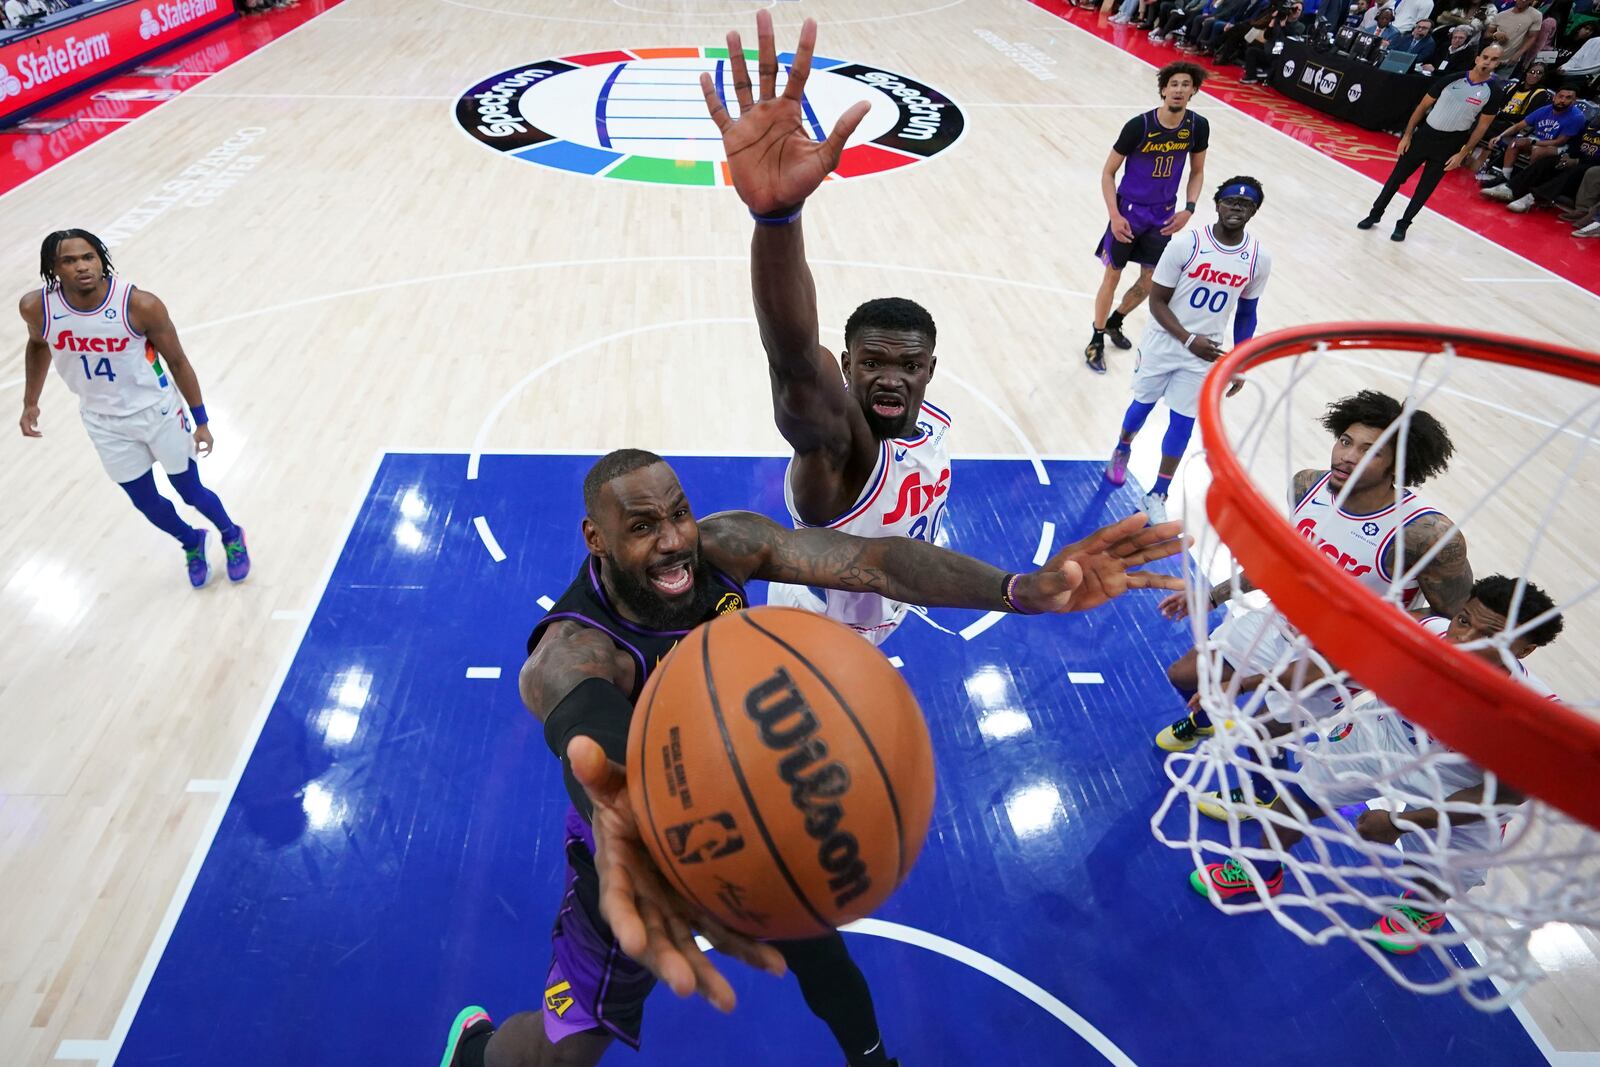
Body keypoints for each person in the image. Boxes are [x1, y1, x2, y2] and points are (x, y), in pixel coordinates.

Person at [436, 449, 1186, 1067]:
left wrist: (1019, 586)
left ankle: (873, 1061)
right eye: (641, 527)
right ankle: (475, 1048)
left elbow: (874, 562)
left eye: (677, 514)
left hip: (756, 795)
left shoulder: (725, 545)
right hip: (634, 839)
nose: (672, 541)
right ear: (595, 539)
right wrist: (622, 811)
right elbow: (593, 754)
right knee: (572, 1051)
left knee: (815, 932)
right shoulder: (573, 652)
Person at [700, 11, 947, 647]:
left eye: (908, 367)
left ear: (929, 371)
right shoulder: (835, 445)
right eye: (871, 364)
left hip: (872, 625)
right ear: (845, 366)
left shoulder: (932, 427)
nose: (891, 378)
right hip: (806, 641)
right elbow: (792, 355)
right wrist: (777, 221)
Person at [1188, 575, 1563, 953]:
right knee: (1294, 801)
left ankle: (1422, 909)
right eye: (1463, 621)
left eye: (1490, 636)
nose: (1463, 640)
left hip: (1460, 783)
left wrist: (1400, 824)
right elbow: (1340, 662)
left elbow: (1497, 799)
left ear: (1526, 649)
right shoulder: (1427, 629)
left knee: (1439, 873)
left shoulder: (1537, 717)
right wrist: (1247, 683)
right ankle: (1261, 870)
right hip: (1386, 736)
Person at [1152, 391, 1469, 814]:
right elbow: (1284, 564)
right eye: (1345, 440)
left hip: (1338, 659)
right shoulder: (1307, 486)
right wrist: (1211, 596)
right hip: (1279, 622)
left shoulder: (1424, 535)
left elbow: (1457, 615)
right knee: (1185, 674)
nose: (1347, 456)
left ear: (1397, 465)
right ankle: (1205, 718)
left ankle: (1261, 791)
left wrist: (1377, 623)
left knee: (1264, 734)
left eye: (1368, 452)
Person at [17, 230, 249, 587]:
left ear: (100, 258)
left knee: (189, 490)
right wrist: (30, 401)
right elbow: (37, 345)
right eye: (69, 261)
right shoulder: (37, 306)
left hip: (156, 411)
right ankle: (192, 541)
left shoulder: (139, 305)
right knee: (146, 503)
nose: (81, 266)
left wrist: (201, 421)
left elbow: (178, 361)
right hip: (102, 420)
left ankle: (232, 535)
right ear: (54, 267)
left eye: (88, 257)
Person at [1104, 178, 1271, 525]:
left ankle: (1158, 492)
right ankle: (1123, 447)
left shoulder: (1257, 258)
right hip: (1165, 341)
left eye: (1245, 205)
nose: (1236, 209)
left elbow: (1247, 314)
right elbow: (1157, 301)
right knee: (1141, 408)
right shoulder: (1186, 244)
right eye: (1230, 202)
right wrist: (1187, 338)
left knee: (1183, 422)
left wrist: (1239, 360)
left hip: (1204, 353)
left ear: (1254, 211)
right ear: (1217, 203)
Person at [1085, 62, 1211, 374]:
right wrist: (1114, 215)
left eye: (1186, 84)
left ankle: (1116, 321)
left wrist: (1189, 209)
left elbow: (1197, 171)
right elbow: (1108, 172)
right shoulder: (1138, 126)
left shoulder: (1197, 126)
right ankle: (1096, 338)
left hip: (1164, 216)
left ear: (1194, 90)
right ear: (1163, 90)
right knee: (1112, 277)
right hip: (1129, 214)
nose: (1179, 89)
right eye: (1174, 84)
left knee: (1150, 282)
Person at [1356, 44, 1507, 240]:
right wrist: (1408, 135)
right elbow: (1422, 106)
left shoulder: (1493, 92)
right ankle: (1374, 214)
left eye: (1494, 59)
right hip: (1425, 135)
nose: (1488, 61)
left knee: (1425, 188)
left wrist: (1462, 153)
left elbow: (1481, 128)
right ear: (1477, 58)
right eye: (1485, 57)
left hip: (1451, 143)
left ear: (1498, 63)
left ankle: (1403, 225)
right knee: (1396, 178)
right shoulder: (1452, 79)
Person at [1481, 102, 1600, 211]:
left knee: (1574, 171)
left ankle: (1531, 198)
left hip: (1590, 166)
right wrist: (1569, 156)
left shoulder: (1577, 118)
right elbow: (1575, 143)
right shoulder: (1590, 125)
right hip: (1575, 157)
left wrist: (1576, 161)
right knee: (1547, 162)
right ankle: (1510, 188)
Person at [1477, 82, 1588, 189]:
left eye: (1568, 98)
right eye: (1561, 96)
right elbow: (1518, 126)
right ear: (1554, 97)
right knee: (1515, 143)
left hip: (1563, 149)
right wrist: (1500, 136)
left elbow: (1559, 142)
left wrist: (1534, 143)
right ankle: (1504, 176)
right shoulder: (1545, 110)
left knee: (1538, 151)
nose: (1562, 100)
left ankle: (1523, 182)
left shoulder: (1576, 117)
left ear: (1574, 101)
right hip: (1540, 141)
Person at [1467, 59, 1553, 169]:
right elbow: (1498, 104)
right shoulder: (1513, 87)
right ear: (1526, 73)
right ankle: (1465, 154)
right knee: (1474, 119)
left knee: (1485, 127)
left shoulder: (1541, 94)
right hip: (1498, 118)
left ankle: (1478, 161)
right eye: (1532, 72)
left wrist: (1501, 115)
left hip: (1514, 125)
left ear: (1543, 76)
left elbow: (1527, 118)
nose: (1534, 75)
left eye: (1539, 73)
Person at [1487, 0, 1545, 74]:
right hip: (1491, 57)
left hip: (1510, 61)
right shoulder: (1501, 15)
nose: (1523, 0)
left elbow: (1532, 37)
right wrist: (1495, 36)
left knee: (1501, 84)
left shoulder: (1536, 15)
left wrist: (1519, 54)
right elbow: (1487, 34)